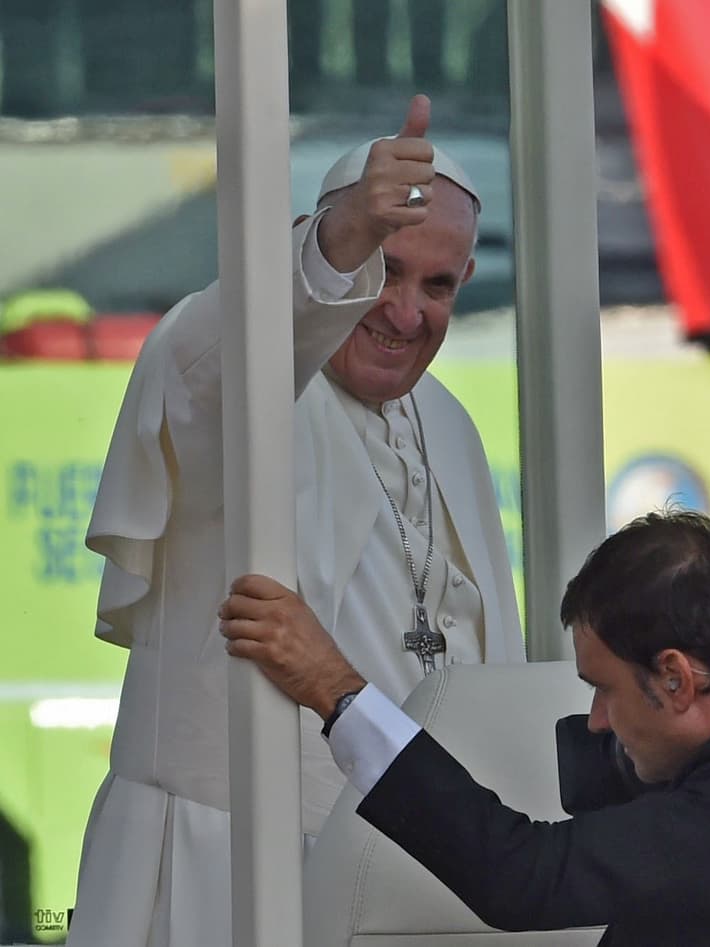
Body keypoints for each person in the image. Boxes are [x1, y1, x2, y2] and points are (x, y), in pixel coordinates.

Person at [67, 94, 526, 946]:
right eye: (384, 270)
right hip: (231, 854)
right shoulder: (239, 379)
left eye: (438, 285)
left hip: (405, 868)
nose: (405, 311)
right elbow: (209, 356)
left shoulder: (450, 424)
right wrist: (343, 234)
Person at [220, 510, 710, 946]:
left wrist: (336, 689)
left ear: (675, 675)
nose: (597, 719)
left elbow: (521, 876)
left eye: (603, 689)